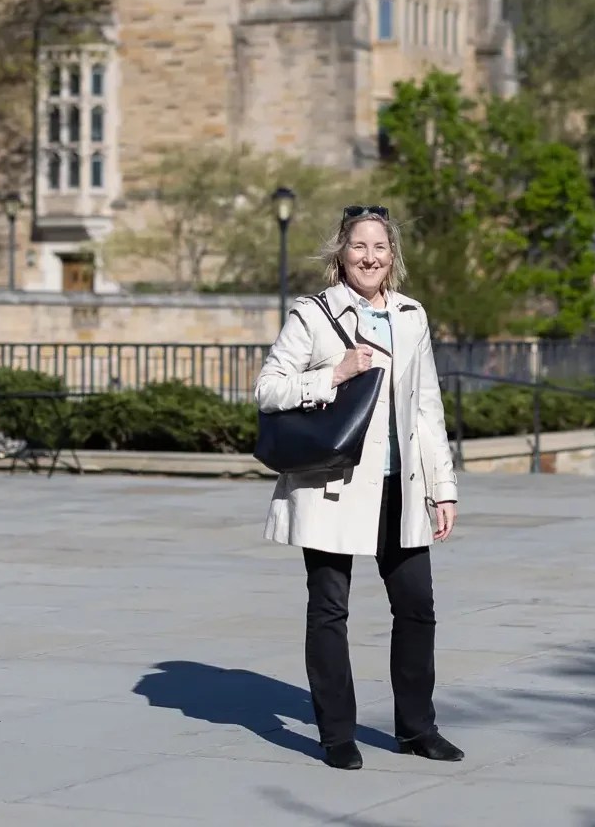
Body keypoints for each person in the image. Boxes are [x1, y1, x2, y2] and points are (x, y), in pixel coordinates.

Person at [255, 205, 462, 771]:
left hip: (401, 485)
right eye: (358, 247)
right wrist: (334, 374)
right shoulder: (313, 314)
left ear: (392, 257)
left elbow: (426, 408)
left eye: (380, 247)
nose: (369, 257)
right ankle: (336, 734)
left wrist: (443, 488)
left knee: (417, 606)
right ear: (340, 254)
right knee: (329, 608)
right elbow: (267, 390)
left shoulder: (412, 316)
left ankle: (418, 728)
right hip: (335, 484)